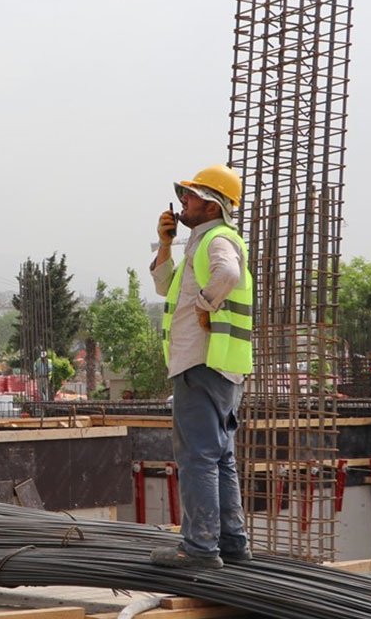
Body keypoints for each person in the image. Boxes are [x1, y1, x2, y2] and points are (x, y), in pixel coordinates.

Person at [149, 164, 254, 570]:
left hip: (202, 363)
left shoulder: (216, 239)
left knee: (197, 457)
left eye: (191, 196)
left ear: (212, 206)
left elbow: (228, 272)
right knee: (219, 456)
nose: (183, 201)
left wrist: (206, 305)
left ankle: (200, 548)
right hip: (219, 366)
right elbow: (165, 286)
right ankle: (231, 542)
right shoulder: (202, 242)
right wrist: (165, 244)